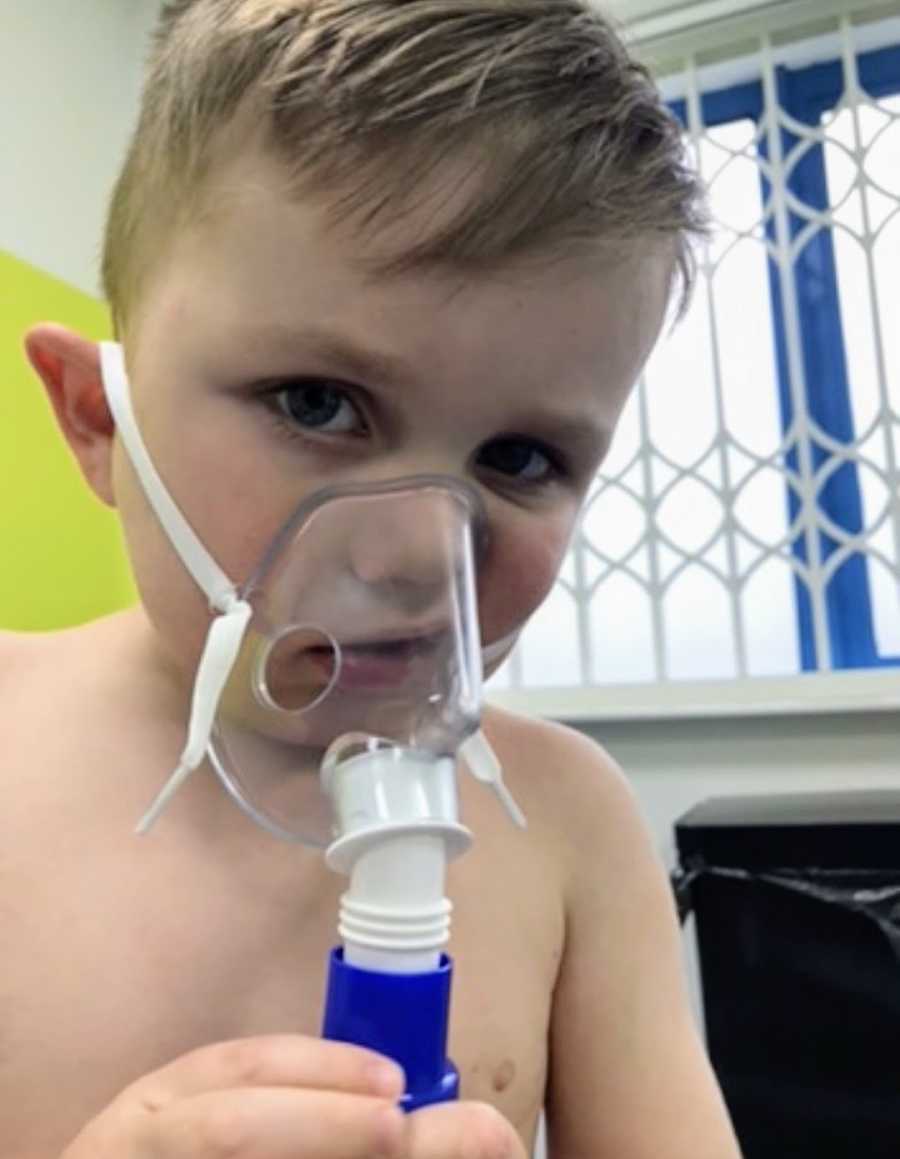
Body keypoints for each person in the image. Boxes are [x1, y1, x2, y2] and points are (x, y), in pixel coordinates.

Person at [4, 2, 741, 1156]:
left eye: (519, 459)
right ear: (102, 420)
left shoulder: (569, 829)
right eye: (317, 403)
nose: (412, 550)